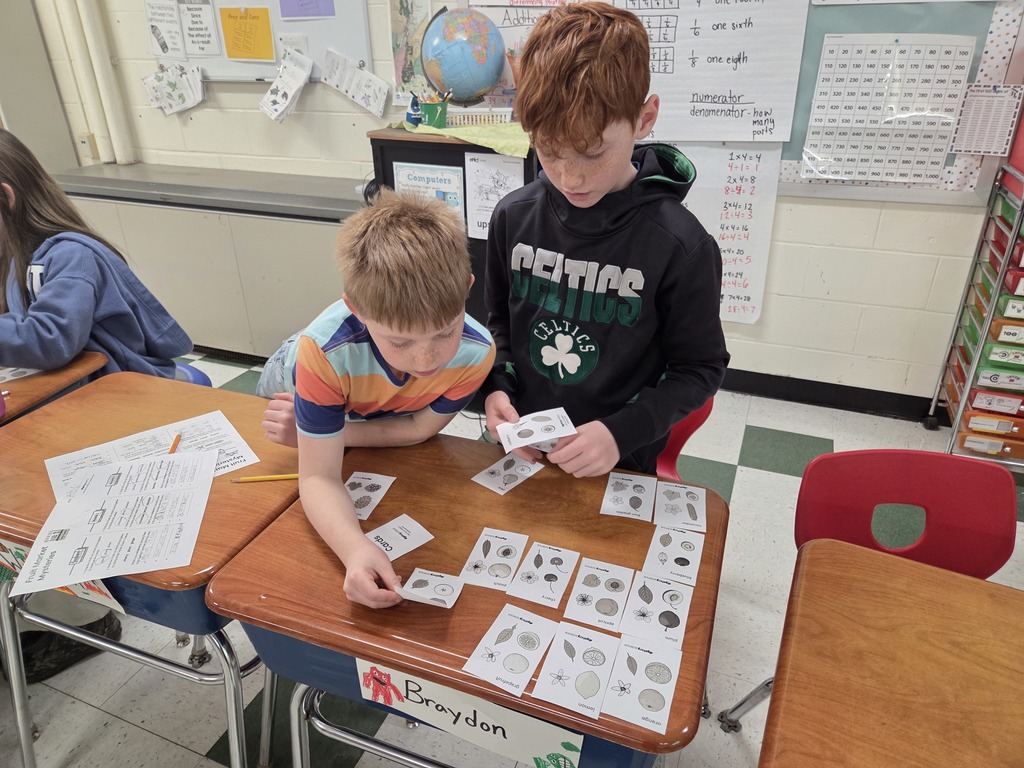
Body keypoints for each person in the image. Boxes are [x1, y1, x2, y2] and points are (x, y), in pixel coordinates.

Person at [483, 2, 730, 478]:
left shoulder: (681, 246)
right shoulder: (512, 217)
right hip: (522, 449)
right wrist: (495, 388)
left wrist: (621, 433)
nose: (569, 177)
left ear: (644, 118)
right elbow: (498, 327)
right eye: (548, 150)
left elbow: (699, 369)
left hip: (619, 460)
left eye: (593, 152)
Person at [0, 128, 193, 682]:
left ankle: (83, 611)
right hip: (72, 402)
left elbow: (50, 339)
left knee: (32, 485)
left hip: (123, 397)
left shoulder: (70, 254)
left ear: (6, 197)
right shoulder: (17, 256)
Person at [259, 189, 495, 609]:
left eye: (445, 332)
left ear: (467, 289)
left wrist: (327, 437)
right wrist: (354, 549)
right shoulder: (323, 354)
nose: (426, 359)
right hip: (294, 377)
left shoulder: (477, 353)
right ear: (356, 309)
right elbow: (317, 477)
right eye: (400, 341)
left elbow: (418, 429)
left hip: (373, 410)